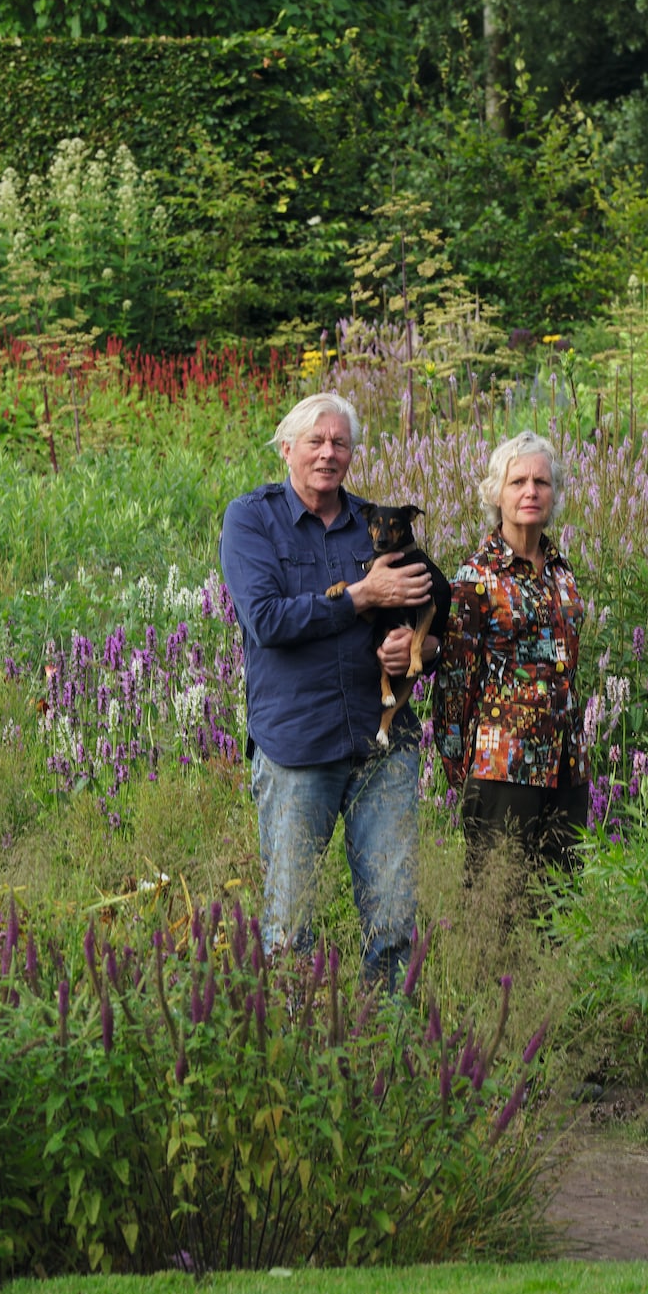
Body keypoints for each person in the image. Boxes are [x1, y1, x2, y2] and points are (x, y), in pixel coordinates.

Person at [218, 392, 439, 987]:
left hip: (382, 748)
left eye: (340, 442)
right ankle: (296, 1049)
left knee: (392, 921)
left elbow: (430, 621)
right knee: (290, 924)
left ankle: (385, 1055)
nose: (328, 453)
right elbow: (266, 619)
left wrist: (412, 653)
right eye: (315, 441)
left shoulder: (379, 525)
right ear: (286, 448)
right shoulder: (251, 519)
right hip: (296, 747)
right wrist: (361, 598)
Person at [434, 431, 589, 882]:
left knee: (560, 903)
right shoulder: (476, 576)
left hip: (566, 765)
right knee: (498, 903)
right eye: (518, 481)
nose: (530, 492)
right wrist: (461, 770)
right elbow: (453, 681)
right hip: (503, 766)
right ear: (496, 494)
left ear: (554, 494)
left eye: (541, 482)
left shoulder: (560, 569)